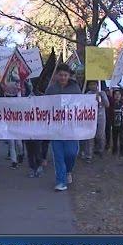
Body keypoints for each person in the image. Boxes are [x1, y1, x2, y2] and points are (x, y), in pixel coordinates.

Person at [45, 63, 82, 191]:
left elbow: (82, 105)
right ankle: (61, 181)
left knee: (71, 153)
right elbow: (44, 106)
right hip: (55, 128)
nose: (63, 77)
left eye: (65, 75)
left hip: (71, 127)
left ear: (69, 76)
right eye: (60, 75)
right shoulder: (51, 89)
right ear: (56, 76)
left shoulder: (75, 88)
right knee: (58, 155)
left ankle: (68, 171)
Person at [82, 81, 110, 162]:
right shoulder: (87, 94)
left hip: (101, 117)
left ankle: (100, 150)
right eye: (91, 84)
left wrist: (101, 99)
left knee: (100, 135)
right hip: (90, 117)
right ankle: (89, 155)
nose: (92, 86)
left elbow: (107, 105)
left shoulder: (102, 93)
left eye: (94, 84)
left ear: (97, 85)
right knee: (90, 136)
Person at [111, 88, 123, 156]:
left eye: (119, 94)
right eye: (116, 94)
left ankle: (122, 149)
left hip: (122, 123)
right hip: (114, 123)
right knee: (114, 137)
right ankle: (114, 149)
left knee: (122, 137)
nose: (117, 96)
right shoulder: (112, 104)